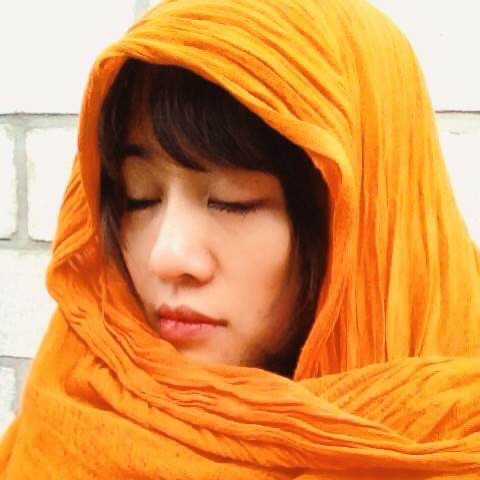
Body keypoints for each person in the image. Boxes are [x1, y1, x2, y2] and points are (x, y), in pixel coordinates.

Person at [1, 0, 479, 477]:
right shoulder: (70, 411)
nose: (167, 256)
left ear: (359, 219)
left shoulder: (453, 441)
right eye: (139, 198)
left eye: (234, 201)